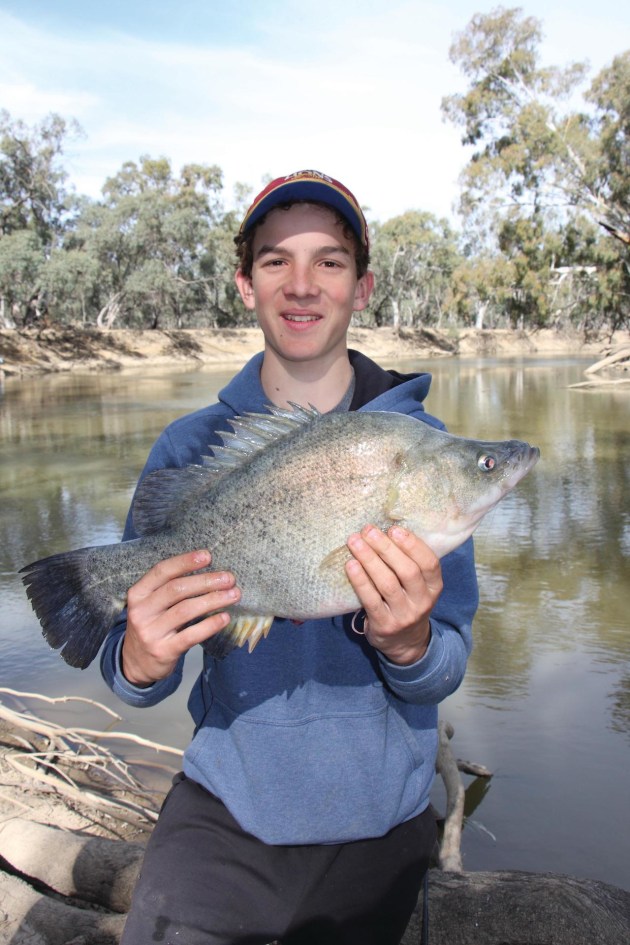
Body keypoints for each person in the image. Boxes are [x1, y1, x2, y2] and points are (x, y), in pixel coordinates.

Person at [101, 169, 479, 945]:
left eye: (329, 261)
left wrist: (409, 643)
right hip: (225, 809)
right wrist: (139, 659)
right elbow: (129, 674)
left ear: (362, 287)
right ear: (246, 284)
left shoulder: (422, 453)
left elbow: (446, 664)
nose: (302, 284)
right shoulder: (190, 447)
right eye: (276, 260)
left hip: (384, 815)